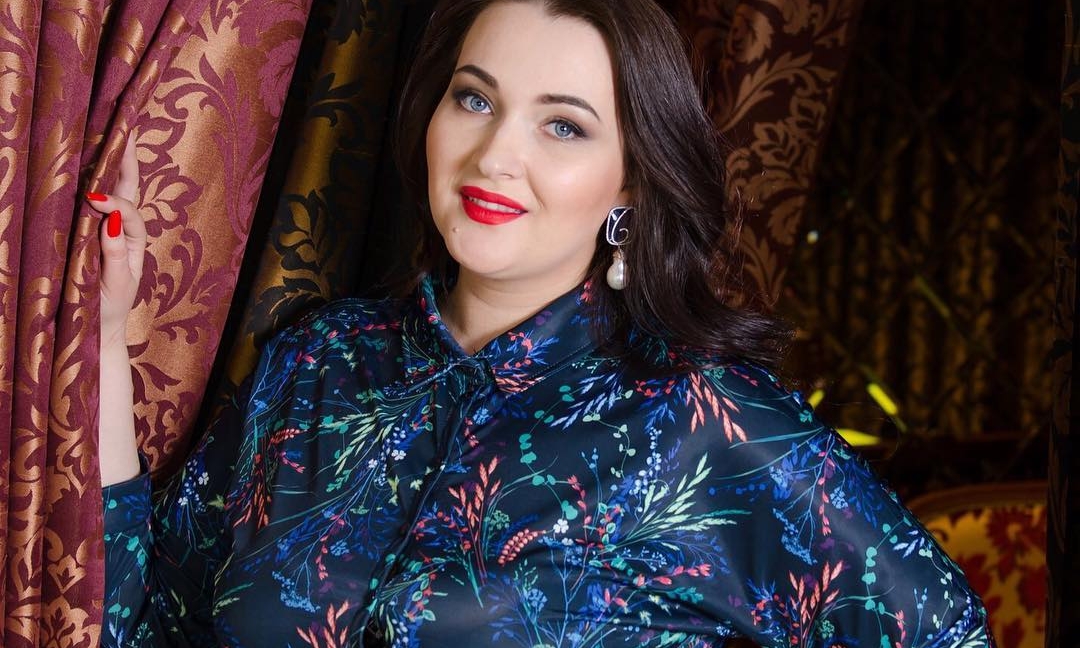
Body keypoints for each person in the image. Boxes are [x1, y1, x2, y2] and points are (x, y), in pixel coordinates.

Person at [89, 0, 995, 646]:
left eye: (564, 127)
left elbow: (944, 632)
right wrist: (99, 337)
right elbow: (145, 617)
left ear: (632, 181)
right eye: (475, 99)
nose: (495, 155)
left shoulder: (705, 421)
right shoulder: (319, 362)